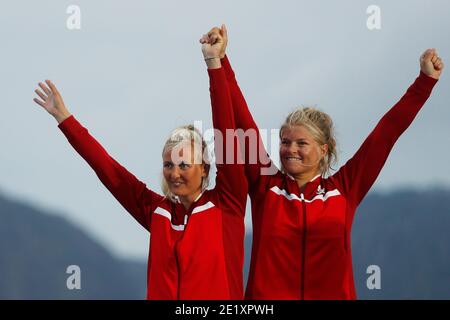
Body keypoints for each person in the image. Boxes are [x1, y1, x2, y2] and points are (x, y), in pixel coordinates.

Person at [203, 25, 444, 299]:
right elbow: (242, 120)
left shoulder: (345, 189)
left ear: (323, 149)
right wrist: (220, 60)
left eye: (301, 143)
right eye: (285, 142)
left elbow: (385, 134)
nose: (290, 150)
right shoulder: (265, 186)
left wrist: (424, 83)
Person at [32, 33, 247, 300]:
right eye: (168, 164)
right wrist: (64, 118)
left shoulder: (228, 204)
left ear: (204, 168)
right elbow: (109, 171)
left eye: (183, 164)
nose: (174, 172)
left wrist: (213, 62)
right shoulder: (157, 212)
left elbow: (225, 129)